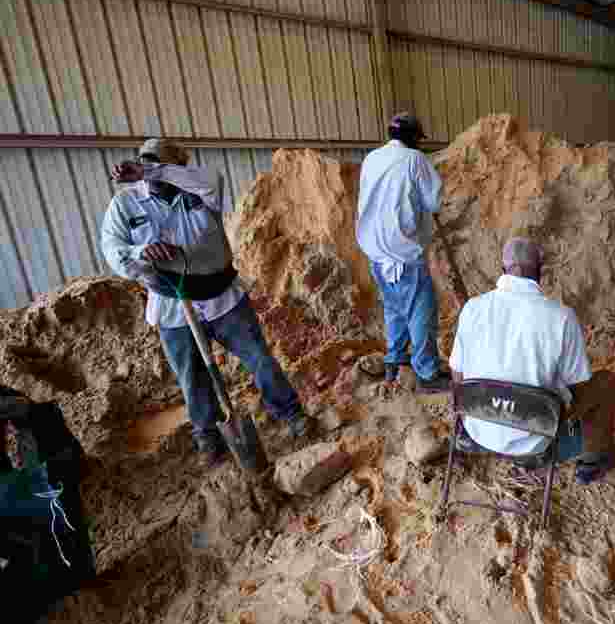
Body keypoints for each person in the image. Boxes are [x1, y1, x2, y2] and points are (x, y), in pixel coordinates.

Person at [100, 139, 308, 466]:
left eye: (156, 162)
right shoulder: (125, 205)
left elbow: (210, 178)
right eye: (143, 161)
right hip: (173, 303)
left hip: (223, 298)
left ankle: (291, 414)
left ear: (177, 166)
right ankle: (208, 438)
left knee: (259, 359)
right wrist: (141, 253)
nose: (147, 168)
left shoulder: (200, 192)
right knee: (192, 377)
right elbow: (113, 251)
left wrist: (152, 169)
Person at [448, 237, 615, 484]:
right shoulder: (562, 318)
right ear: (540, 272)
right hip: (536, 445)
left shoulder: (473, 308)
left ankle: (470, 433)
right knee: (607, 382)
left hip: (478, 430)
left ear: (502, 269)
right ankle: (590, 463)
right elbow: (578, 389)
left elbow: (457, 375)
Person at [357, 113, 450, 391]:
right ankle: (427, 373)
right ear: (412, 138)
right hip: (403, 250)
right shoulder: (414, 160)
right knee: (422, 312)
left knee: (395, 307)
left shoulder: (372, 158)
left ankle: (395, 360)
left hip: (375, 250)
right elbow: (434, 201)